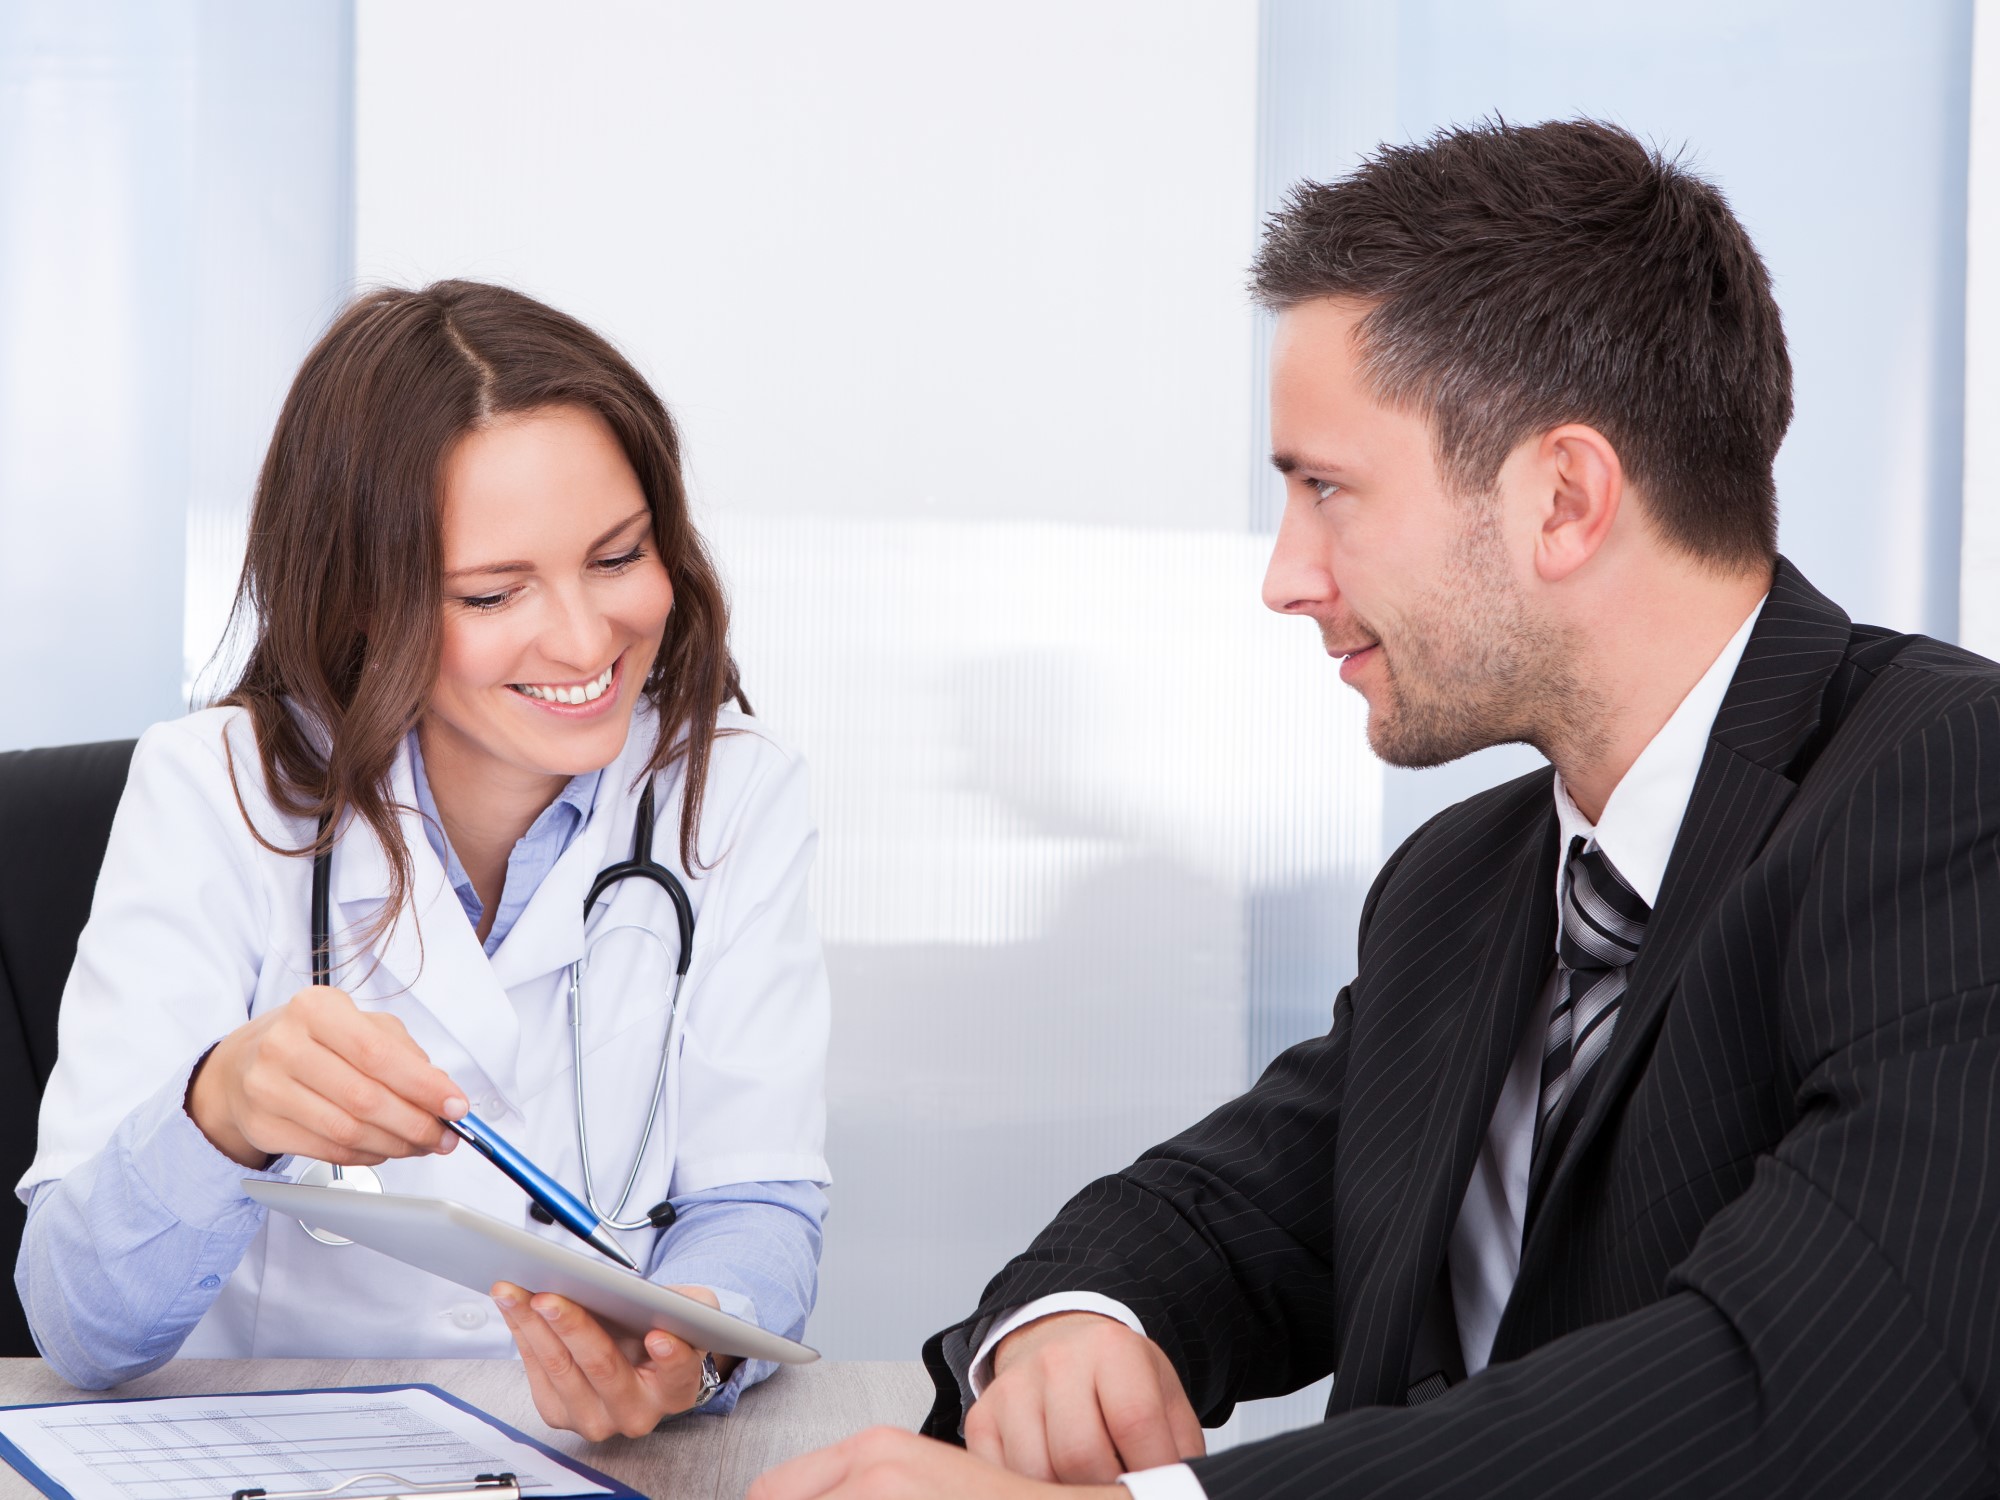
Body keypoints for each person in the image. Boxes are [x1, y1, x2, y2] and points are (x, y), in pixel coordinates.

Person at [751, 119, 2000, 1499]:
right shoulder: (1468, 883)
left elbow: (1825, 1390)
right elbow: (1233, 1211)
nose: (1286, 577)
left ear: (1565, 498)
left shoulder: (1950, 791)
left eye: (1327, 490)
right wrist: (1076, 1321)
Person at [15, 280, 830, 1440]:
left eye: (617, 556)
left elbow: (756, 1200)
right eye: (495, 592)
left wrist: (687, 1345)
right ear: (360, 605)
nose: (586, 639)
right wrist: (224, 1106)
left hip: (594, 1463)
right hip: (269, 1460)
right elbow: (79, 1328)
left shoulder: (731, 790)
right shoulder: (214, 791)